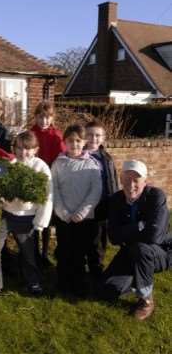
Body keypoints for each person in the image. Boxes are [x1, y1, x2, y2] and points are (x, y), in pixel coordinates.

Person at [100, 160, 172, 320]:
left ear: (145, 182)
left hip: (161, 251)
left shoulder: (156, 196)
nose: (131, 184)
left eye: (136, 180)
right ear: (121, 179)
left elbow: (154, 237)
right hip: (131, 251)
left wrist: (126, 233)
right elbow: (113, 237)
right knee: (106, 291)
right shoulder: (116, 200)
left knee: (141, 249)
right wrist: (140, 225)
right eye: (127, 179)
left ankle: (146, 300)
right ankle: (137, 277)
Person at [0, 131, 53, 295]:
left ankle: (33, 282)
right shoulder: (8, 163)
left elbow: (47, 196)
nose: (22, 152)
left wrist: (41, 222)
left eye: (27, 149)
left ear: (36, 149)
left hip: (27, 218)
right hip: (5, 214)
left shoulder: (41, 167)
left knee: (28, 253)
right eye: (19, 148)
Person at [51, 124, 102, 295]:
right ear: (65, 142)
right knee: (64, 251)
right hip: (64, 217)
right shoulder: (58, 163)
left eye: (78, 141)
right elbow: (53, 189)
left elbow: (95, 191)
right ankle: (63, 283)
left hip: (84, 219)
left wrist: (82, 212)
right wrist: (63, 212)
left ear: (84, 142)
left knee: (80, 252)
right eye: (71, 141)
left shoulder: (92, 165)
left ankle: (79, 285)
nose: (75, 145)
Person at [31, 101, 65, 266]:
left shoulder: (56, 135)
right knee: (34, 217)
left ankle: (44, 254)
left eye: (47, 118)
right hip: (34, 180)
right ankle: (34, 252)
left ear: (52, 118)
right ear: (36, 117)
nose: (44, 121)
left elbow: (61, 158)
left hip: (50, 180)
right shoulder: (31, 134)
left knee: (46, 218)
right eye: (40, 117)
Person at [85, 119, 118, 275]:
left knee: (99, 240)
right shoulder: (79, 155)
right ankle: (79, 266)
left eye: (98, 135)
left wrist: (114, 202)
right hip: (83, 205)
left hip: (102, 205)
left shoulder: (106, 158)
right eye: (90, 135)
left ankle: (96, 268)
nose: (94, 139)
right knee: (84, 238)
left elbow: (112, 181)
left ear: (103, 138)